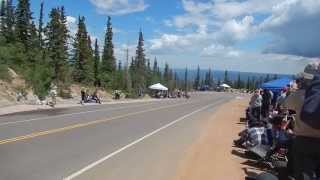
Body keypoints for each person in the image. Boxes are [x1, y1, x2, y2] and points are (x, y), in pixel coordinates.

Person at [285, 61, 320, 180]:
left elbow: (286, 104)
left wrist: (293, 90)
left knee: (303, 175)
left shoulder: (301, 94)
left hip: (303, 141)